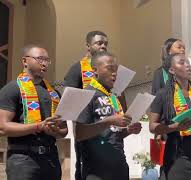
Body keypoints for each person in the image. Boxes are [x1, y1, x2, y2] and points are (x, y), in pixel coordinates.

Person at [63, 30, 127, 180]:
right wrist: (89, 99)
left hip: (111, 132)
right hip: (87, 124)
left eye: (106, 43)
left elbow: (122, 103)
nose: (103, 46)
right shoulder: (77, 68)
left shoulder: (111, 72)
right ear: (88, 46)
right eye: (99, 43)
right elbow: (69, 100)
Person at [0, 44, 68, 180]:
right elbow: (2, 127)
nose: (44, 64)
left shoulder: (53, 93)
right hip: (23, 160)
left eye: (47, 60)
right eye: (40, 59)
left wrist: (54, 130)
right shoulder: (12, 89)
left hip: (51, 160)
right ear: (25, 61)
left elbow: (64, 130)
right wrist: (38, 126)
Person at [74, 51, 142, 180]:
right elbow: (80, 133)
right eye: (110, 68)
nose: (115, 73)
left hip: (119, 164)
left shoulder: (113, 96)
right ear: (95, 71)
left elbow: (113, 134)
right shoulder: (87, 94)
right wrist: (109, 121)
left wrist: (128, 130)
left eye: (116, 69)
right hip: (97, 170)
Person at [149, 53, 191, 180]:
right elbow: (152, 127)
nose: (188, 65)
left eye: (188, 63)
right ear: (171, 70)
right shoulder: (163, 94)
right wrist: (175, 127)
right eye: (182, 62)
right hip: (175, 157)